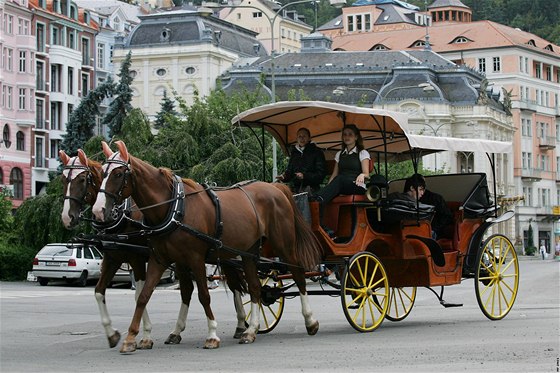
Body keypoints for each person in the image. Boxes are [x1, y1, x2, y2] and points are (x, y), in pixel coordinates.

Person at [314, 124, 371, 209]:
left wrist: (362, 175)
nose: (347, 137)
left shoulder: (362, 153)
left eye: (350, 134)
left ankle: (318, 199)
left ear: (356, 137)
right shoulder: (339, 154)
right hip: (341, 184)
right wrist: (328, 187)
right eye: (344, 134)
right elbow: (334, 175)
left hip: (356, 186)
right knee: (338, 180)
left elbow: (366, 174)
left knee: (340, 179)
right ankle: (317, 201)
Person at [276, 127, 326, 193]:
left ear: (309, 138)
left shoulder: (317, 152)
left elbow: (321, 174)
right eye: (299, 136)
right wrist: (283, 177)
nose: (302, 138)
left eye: (304, 136)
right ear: (297, 139)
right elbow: (289, 171)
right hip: (295, 188)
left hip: (311, 188)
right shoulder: (294, 153)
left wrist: (305, 176)